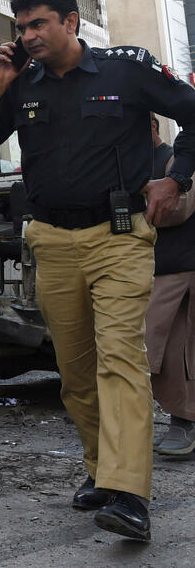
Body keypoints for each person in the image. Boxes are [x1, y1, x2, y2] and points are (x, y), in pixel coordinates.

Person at [0, 0, 195, 541]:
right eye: (21, 28)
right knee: (77, 373)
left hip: (119, 238)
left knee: (120, 362)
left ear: (71, 22)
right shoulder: (19, 84)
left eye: (38, 24)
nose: (28, 36)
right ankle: (101, 472)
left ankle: (131, 495)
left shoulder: (126, 69)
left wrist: (176, 178)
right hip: (51, 242)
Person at [146, 132, 195, 456]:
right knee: (160, 350)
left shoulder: (179, 156)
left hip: (181, 265)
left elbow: (176, 208)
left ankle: (184, 423)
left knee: (180, 349)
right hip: (160, 265)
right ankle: (180, 421)